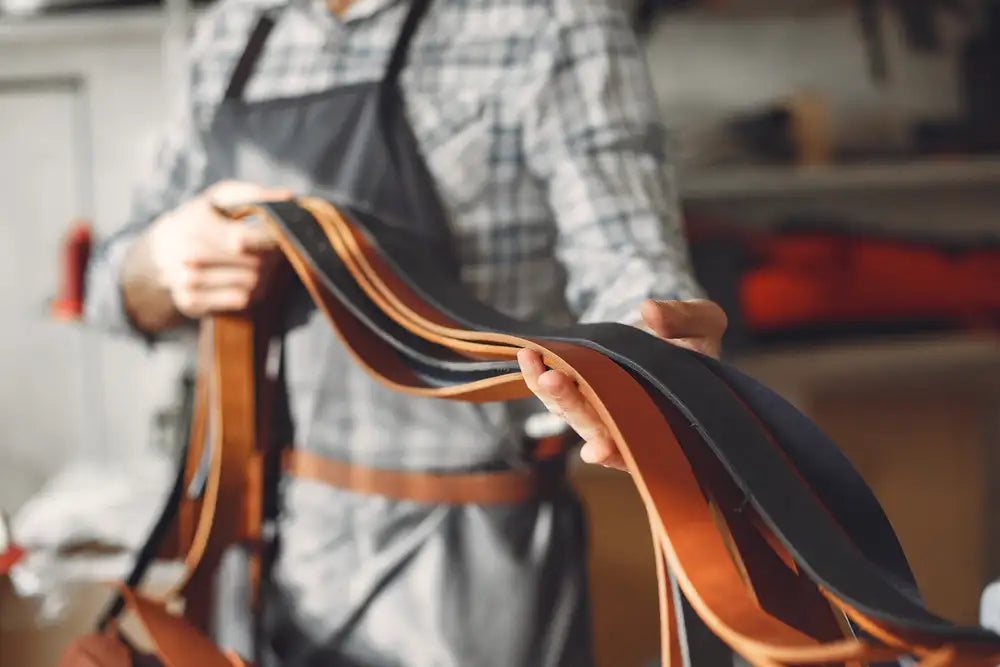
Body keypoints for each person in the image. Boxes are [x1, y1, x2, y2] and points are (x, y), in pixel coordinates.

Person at [84, 0, 727, 664]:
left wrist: (658, 369)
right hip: (258, 543)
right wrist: (158, 263)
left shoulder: (554, 19)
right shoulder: (235, 28)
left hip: (469, 554)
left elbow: (627, 259)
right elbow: (107, 291)